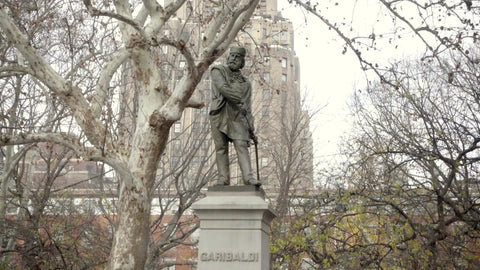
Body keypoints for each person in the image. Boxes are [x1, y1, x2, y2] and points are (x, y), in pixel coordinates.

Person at [209, 46, 260, 186]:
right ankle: (223, 178)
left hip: (238, 116)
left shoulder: (246, 83)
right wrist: (239, 100)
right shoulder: (217, 70)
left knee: (241, 145)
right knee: (221, 148)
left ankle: (248, 178)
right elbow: (223, 89)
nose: (233, 58)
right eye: (231, 55)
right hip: (219, 114)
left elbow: (248, 107)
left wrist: (251, 127)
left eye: (237, 57)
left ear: (242, 62)